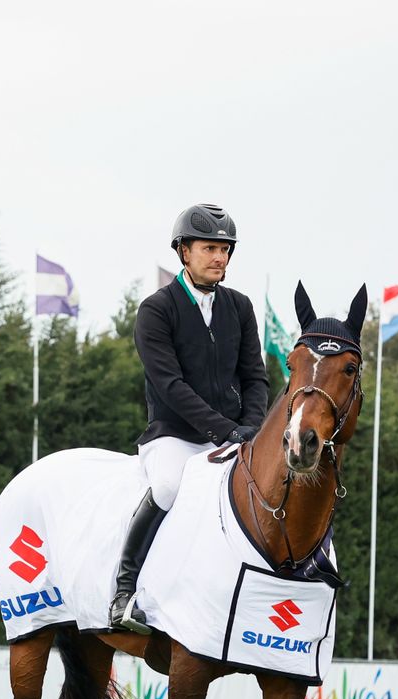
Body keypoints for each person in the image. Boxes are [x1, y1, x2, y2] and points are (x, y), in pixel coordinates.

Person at [109, 204, 268, 632]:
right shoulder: (156, 310)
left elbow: (256, 377)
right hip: (173, 435)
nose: (220, 257)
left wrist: (251, 429)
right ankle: (124, 591)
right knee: (167, 485)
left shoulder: (240, 306)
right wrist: (225, 429)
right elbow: (170, 386)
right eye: (210, 248)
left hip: (235, 436)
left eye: (226, 250)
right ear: (184, 251)